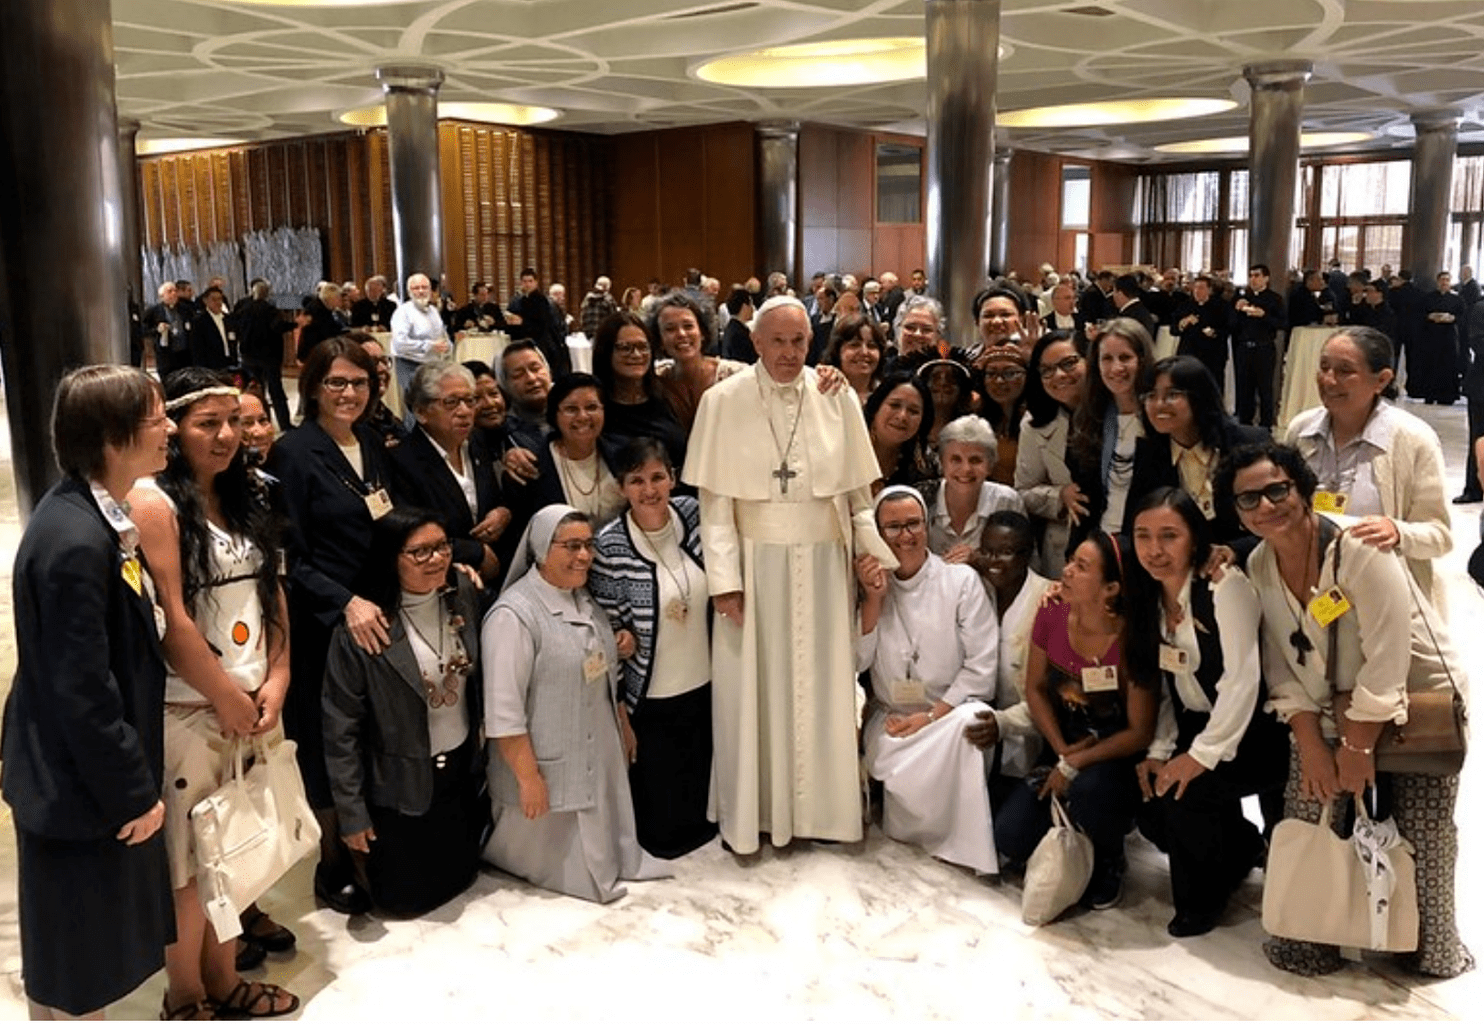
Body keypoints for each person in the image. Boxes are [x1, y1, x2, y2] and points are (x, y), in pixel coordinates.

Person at [1214, 441, 1473, 979]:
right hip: (1327, 708)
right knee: (1309, 810)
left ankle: (1428, 946)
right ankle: (1313, 938)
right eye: (1248, 500)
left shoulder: (1358, 545)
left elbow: (1389, 656)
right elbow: (1283, 666)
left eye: (1277, 490)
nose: (1266, 506)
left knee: (1423, 830)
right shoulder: (1260, 564)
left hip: (1411, 704)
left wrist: (1357, 748)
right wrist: (1311, 743)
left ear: (1302, 487)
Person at [682, 295, 898, 854]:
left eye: (799, 341)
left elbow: (857, 495)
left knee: (824, 687)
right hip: (754, 568)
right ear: (753, 342)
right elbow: (715, 503)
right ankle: (754, 811)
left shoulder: (835, 395)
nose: (789, 352)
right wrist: (725, 580)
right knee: (753, 692)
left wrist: (869, 555)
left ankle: (822, 813)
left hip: (824, 566)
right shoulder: (722, 401)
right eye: (776, 341)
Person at [2, 366, 175, 1019]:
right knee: (75, 968)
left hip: (76, 775)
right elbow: (83, 689)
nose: (168, 428)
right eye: (156, 416)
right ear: (112, 433)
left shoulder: (91, 509)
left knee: (84, 959)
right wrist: (133, 790)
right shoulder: (74, 538)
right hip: (76, 784)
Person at [129, 369, 300, 1020]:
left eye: (235, 420)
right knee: (190, 869)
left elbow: (272, 590)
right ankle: (186, 996)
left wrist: (277, 678)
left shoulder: (252, 494)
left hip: (254, 700)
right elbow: (170, 620)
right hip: (190, 707)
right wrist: (225, 695)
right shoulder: (155, 505)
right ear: (175, 429)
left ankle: (225, 984)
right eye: (209, 423)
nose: (228, 435)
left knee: (237, 856)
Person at [1123, 488, 1288, 938]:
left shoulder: (1224, 588)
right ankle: (1238, 848)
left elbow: (1242, 680)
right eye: (1143, 536)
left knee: (1184, 793)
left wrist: (1199, 756)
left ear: (1195, 538)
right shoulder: (1148, 598)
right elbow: (1160, 684)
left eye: (1169, 536)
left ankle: (1203, 900)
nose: (1154, 550)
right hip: (1196, 724)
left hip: (1256, 731)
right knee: (1146, 797)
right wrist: (1159, 749)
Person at [482, 505, 669, 900]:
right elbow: (504, 712)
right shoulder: (513, 617)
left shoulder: (581, 598)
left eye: (588, 545)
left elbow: (599, 672)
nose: (584, 556)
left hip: (597, 743)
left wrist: (622, 721)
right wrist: (529, 779)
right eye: (571, 546)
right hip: (546, 763)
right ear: (539, 549)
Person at [275, 337, 393, 914]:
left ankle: (367, 839)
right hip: (324, 620)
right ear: (314, 386)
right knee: (326, 739)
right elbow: (290, 558)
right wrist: (345, 601)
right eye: (337, 383)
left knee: (368, 731)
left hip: (376, 612)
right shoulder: (293, 453)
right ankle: (331, 862)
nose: (350, 393)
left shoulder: (371, 442)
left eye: (360, 383)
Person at [322, 509, 486, 917]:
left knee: (464, 878)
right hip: (400, 784)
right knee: (403, 902)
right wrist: (352, 815)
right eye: (420, 552)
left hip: (460, 773)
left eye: (442, 546)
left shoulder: (461, 591)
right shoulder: (364, 628)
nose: (437, 559)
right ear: (391, 558)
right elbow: (341, 729)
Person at [992, 531, 1155, 910]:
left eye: (1081, 567)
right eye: (1069, 560)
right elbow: (1034, 688)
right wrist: (1062, 753)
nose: (1065, 571)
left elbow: (1140, 730)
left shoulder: (1132, 637)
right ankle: (1068, 828)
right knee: (1009, 839)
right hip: (1063, 742)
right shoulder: (1050, 611)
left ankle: (1110, 854)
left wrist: (1076, 763)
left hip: (1112, 755)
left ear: (1111, 587)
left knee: (1091, 794)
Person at [854, 487, 999, 874]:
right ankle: (913, 828)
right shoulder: (871, 585)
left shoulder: (961, 582)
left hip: (946, 716)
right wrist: (873, 600)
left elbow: (981, 666)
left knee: (973, 721)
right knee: (890, 739)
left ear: (926, 525)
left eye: (914, 524)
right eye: (894, 527)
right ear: (878, 534)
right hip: (892, 718)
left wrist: (933, 716)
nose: (906, 536)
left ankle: (962, 844)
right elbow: (857, 660)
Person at [588, 438, 716, 858]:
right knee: (661, 811)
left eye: (658, 477)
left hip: (707, 678)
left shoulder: (694, 516)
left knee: (703, 781)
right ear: (622, 487)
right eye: (637, 480)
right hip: (650, 690)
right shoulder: (610, 545)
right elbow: (608, 627)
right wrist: (621, 701)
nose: (649, 489)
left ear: (673, 478)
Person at [1284, 327, 1452, 615]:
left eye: (1344, 371)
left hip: (1386, 604)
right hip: (1309, 595)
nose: (1328, 380)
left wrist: (1397, 532)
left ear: (1382, 380)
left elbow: (1439, 537)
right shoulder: (1301, 431)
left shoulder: (1412, 440)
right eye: (1324, 367)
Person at [387, 361, 511, 586]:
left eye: (469, 400)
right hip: (440, 579)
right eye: (451, 402)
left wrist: (503, 512)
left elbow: (494, 498)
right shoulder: (402, 460)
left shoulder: (477, 442)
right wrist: (477, 552)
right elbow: (411, 533)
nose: (464, 411)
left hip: (493, 579)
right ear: (421, 412)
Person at [964, 511, 1052, 809]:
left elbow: (1052, 694)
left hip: (1030, 731)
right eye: (986, 550)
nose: (993, 561)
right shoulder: (974, 590)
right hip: (979, 720)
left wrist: (1004, 723)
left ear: (1027, 554)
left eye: (1005, 553)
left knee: (1008, 833)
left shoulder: (1051, 600)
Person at [1128, 354, 1266, 543]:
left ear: (1199, 397)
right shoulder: (1150, 453)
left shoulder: (1249, 443)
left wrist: (1235, 551)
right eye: (1151, 396)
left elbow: (1276, 518)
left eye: (1172, 395)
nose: (1159, 405)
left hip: (1249, 560)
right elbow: (1134, 524)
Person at [1067, 318, 1154, 546]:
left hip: (1146, 548)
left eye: (1125, 358)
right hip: (1100, 543)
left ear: (1142, 359)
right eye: (1107, 359)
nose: (1116, 368)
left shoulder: (1160, 419)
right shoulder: (1087, 419)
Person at [504, 371, 626, 530]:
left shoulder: (625, 455)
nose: (582, 416)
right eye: (571, 409)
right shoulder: (531, 466)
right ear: (555, 414)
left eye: (591, 407)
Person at [1015, 331, 1087, 577]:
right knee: (1053, 613)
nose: (1058, 375)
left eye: (1068, 363)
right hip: (1061, 548)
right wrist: (1059, 496)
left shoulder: (1117, 414)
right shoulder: (1035, 422)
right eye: (1046, 370)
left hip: (1115, 543)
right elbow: (1023, 491)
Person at [917, 415, 1024, 563]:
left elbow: (1024, 564)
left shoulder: (1007, 501)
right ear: (941, 463)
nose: (966, 469)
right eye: (956, 459)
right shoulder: (921, 499)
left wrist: (980, 560)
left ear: (990, 465)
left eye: (976, 460)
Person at [591, 310, 688, 470]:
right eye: (625, 348)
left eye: (643, 347)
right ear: (606, 352)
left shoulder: (667, 394)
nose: (636, 354)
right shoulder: (595, 406)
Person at [651, 292, 743, 432]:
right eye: (670, 329)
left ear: (703, 333)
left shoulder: (735, 376)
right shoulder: (655, 382)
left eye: (688, 326)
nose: (681, 334)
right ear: (660, 340)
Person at [1230, 263, 1287, 428]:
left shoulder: (1274, 299)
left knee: (1265, 389)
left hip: (1264, 348)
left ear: (1266, 278)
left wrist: (1264, 315)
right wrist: (1236, 309)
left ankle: (1266, 425)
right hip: (1243, 348)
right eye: (1251, 276)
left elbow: (1283, 323)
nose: (1253, 279)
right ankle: (1244, 424)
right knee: (1244, 388)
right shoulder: (1241, 298)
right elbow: (1231, 325)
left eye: (1257, 275)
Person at [389, 273, 452, 411]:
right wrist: (429, 346)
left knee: (433, 407)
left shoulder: (434, 311)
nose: (421, 291)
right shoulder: (403, 312)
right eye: (416, 288)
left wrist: (448, 347)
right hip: (409, 366)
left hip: (432, 366)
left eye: (424, 287)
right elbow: (400, 343)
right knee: (416, 408)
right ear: (409, 291)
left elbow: (442, 336)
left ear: (430, 290)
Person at [866, 372, 936, 490]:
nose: (902, 416)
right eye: (895, 405)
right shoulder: (846, 448)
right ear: (876, 408)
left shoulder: (926, 468)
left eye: (913, 411)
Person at [977, 342, 1030, 484]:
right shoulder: (977, 417)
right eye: (991, 373)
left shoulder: (1037, 420)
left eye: (1010, 373)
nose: (999, 381)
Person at [824, 312, 886, 403]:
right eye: (854, 345)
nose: (864, 352)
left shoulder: (886, 397)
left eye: (871, 346)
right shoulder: (823, 392)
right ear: (837, 351)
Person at [296, 282, 346, 363]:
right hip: (314, 352)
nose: (340, 301)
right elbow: (326, 332)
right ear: (331, 298)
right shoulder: (317, 310)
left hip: (323, 348)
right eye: (338, 298)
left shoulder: (327, 308)